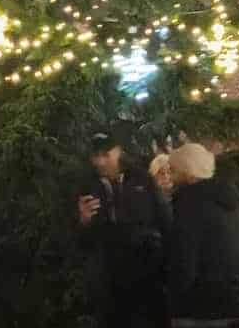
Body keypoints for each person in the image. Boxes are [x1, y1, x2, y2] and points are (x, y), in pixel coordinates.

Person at [76, 131, 171, 328]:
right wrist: (83, 220)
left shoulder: (141, 179)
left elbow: (165, 220)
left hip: (147, 272)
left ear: (118, 151)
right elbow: (81, 240)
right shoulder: (86, 185)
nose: (100, 161)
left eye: (105, 154)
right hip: (110, 278)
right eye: (96, 156)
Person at [163, 142, 239, 326]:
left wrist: (172, 298)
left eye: (173, 170)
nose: (169, 176)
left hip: (197, 310)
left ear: (188, 172)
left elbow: (184, 260)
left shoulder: (189, 204)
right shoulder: (228, 202)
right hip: (230, 302)